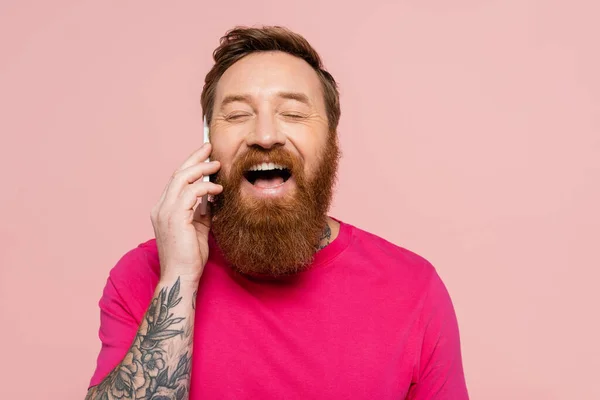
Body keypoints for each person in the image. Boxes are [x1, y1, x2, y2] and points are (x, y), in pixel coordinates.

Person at [84, 25, 469, 400]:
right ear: (207, 143)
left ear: (331, 140)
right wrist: (179, 277)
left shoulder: (414, 289)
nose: (265, 135)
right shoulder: (143, 277)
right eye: (237, 115)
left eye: (294, 113)